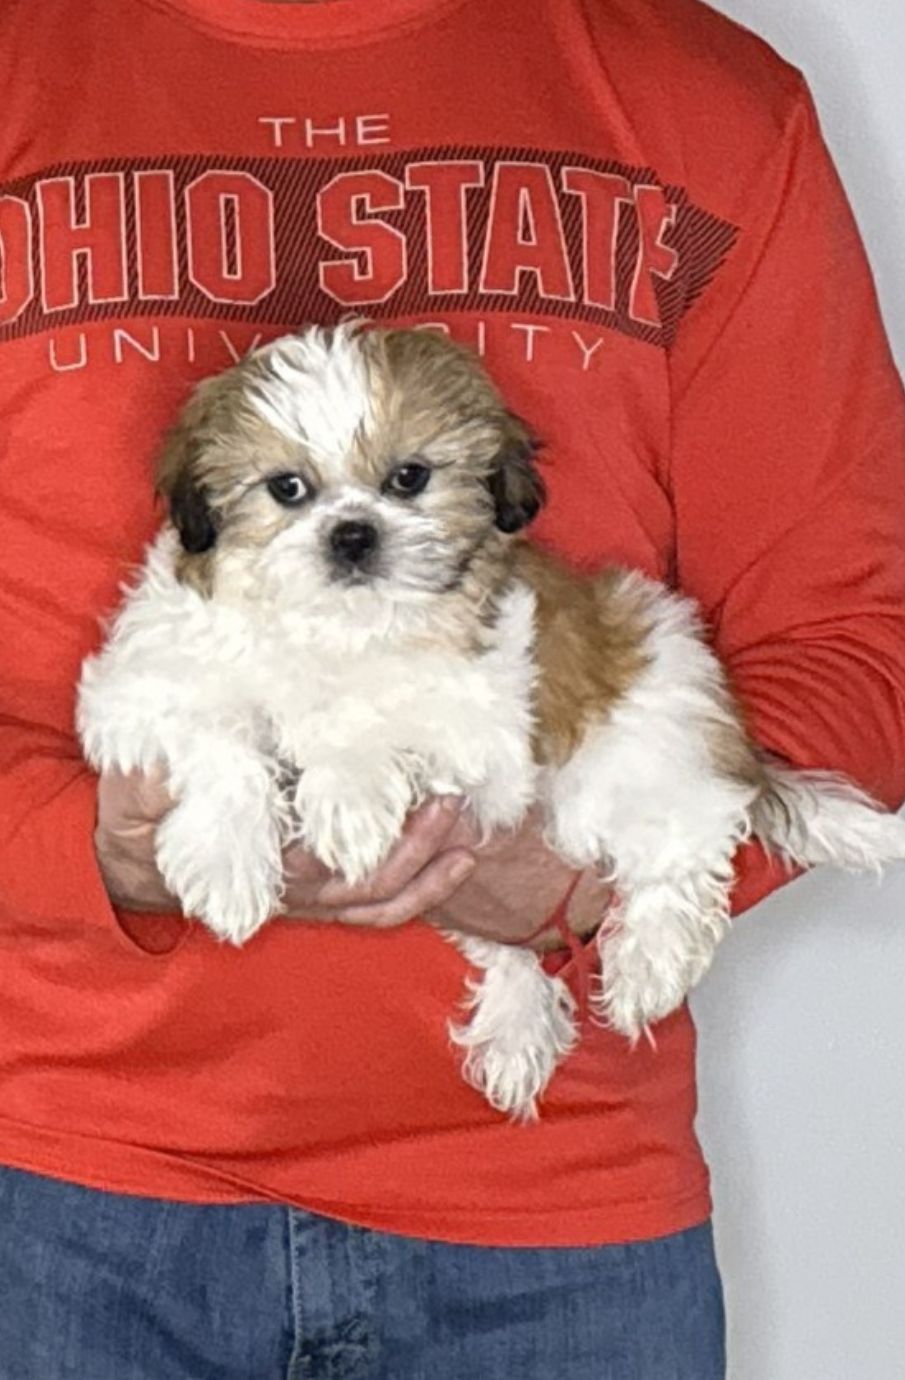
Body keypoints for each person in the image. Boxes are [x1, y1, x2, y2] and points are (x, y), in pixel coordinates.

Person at [0, 0, 903, 1374]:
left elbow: (858, 636)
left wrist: (585, 880)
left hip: (556, 1211)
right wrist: (82, 857)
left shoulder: (698, 104)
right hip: (52, 1181)